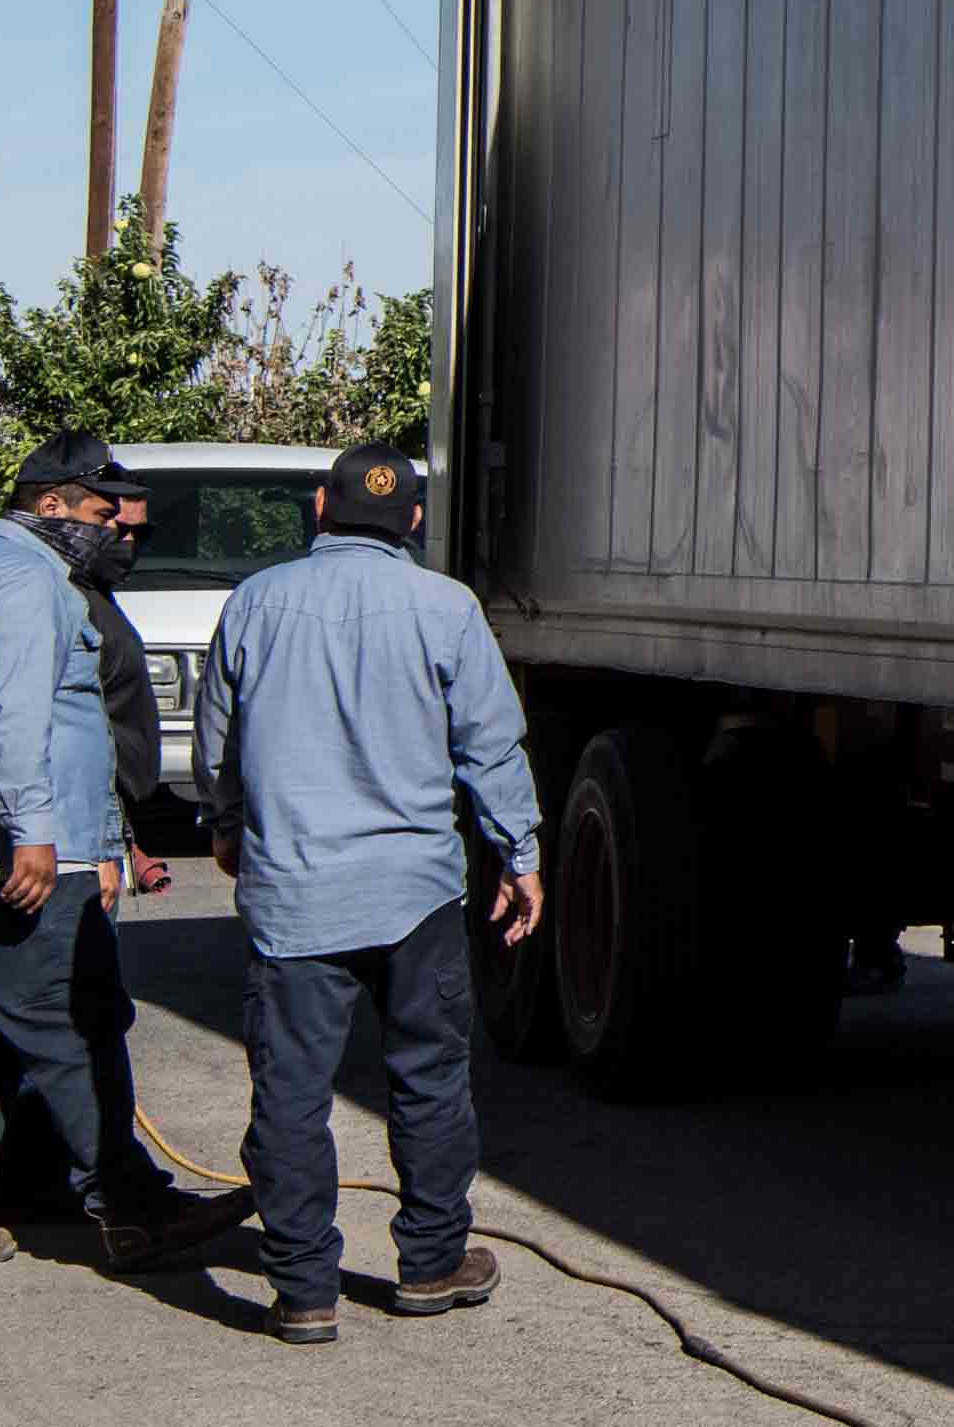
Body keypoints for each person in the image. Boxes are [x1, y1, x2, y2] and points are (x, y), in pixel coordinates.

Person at [0, 439, 248, 1277]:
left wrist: (110, 840)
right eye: (104, 514)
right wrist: (30, 831)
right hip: (8, 855)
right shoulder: (27, 585)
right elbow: (15, 719)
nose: (114, 531)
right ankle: (132, 1206)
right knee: (73, 1025)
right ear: (52, 506)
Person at [198, 443, 542, 1348]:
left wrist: (227, 823)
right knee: (428, 1078)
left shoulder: (256, 602)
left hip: (295, 894)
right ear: (415, 520)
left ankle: (304, 1289)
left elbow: (216, 738)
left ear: (321, 504)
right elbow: (490, 744)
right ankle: (432, 1263)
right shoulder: (447, 606)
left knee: (291, 1091)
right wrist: (520, 851)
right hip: (415, 892)